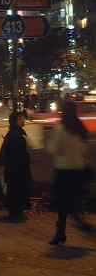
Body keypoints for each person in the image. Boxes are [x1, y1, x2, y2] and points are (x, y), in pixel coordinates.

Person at [47, 100, 92, 245]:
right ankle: (79, 220)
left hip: (64, 170)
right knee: (75, 199)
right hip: (78, 170)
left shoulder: (60, 128)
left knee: (62, 205)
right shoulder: (80, 127)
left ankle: (60, 233)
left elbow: (53, 149)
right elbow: (85, 149)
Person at [0, 111, 31, 222]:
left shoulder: (13, 133)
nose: (24, 120)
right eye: (22, 118)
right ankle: (16, 214)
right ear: (17, 120)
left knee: (14, 191)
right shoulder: (16, 135)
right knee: (16, 191)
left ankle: (16, 213)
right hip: (16, 170)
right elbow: (18, 155)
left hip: (14, 169)